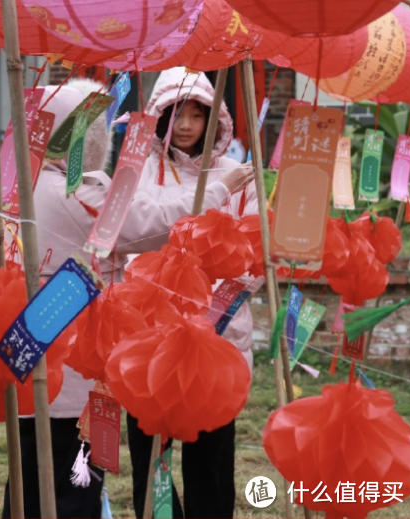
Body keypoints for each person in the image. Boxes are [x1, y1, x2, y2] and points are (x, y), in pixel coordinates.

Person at [0, 77, 254, 519]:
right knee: (70, 483)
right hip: (73, 367)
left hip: (35, 352)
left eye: (199, 115)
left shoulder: (22, 187)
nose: (189, 126)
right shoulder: (76, 191)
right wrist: (219, 189)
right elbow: (148, 226)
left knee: (32, 480)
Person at [129, 67, 259, 519]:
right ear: (160, 117)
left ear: (213, 120)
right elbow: (133, 233)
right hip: (154, 334)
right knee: (152, 455)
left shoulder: (236, 174)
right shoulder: (144, 171)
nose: (185, 125)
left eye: (196, 115)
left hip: (218, 334)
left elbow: (256, 249)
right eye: (176, 114)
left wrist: (216, 304)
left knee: (213, 456)